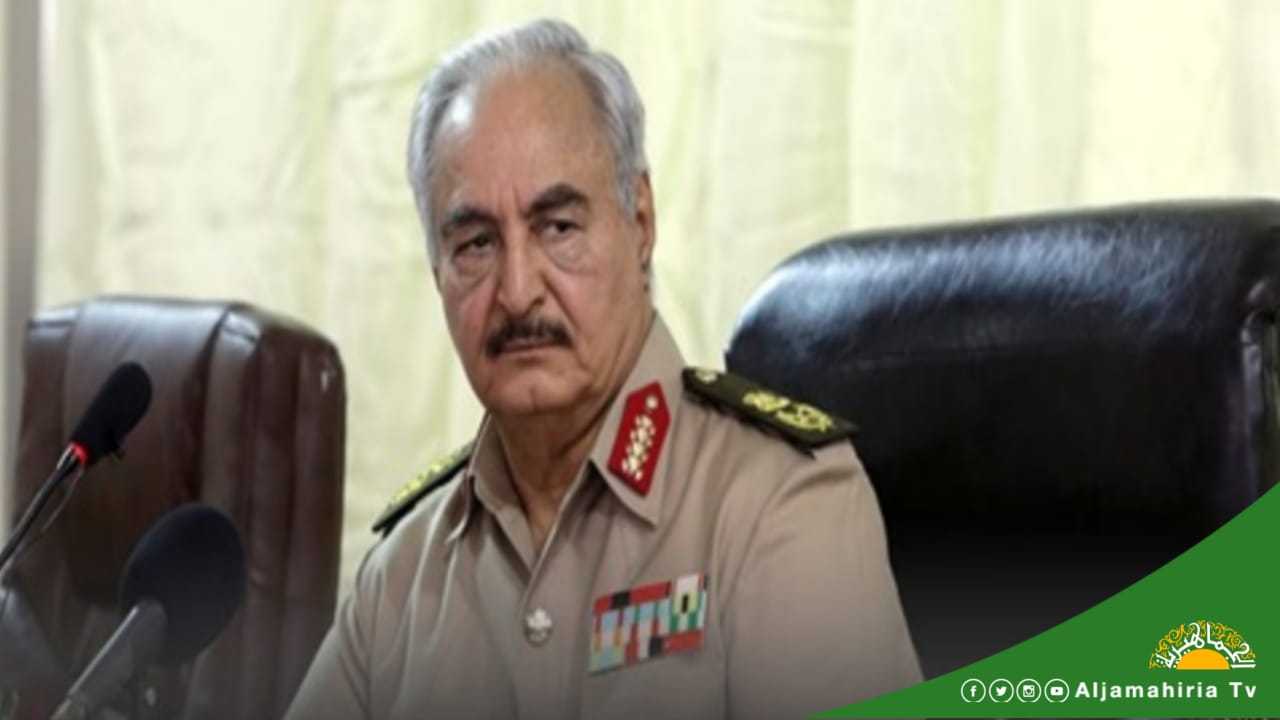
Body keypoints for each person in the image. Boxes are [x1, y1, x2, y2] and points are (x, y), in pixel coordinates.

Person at [285, 18, 920, 720]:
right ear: (437, 272)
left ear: (640, 223)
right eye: (475, 244)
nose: (517, 291)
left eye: (557, 227)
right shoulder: (401, 579)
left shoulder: (776, 504)